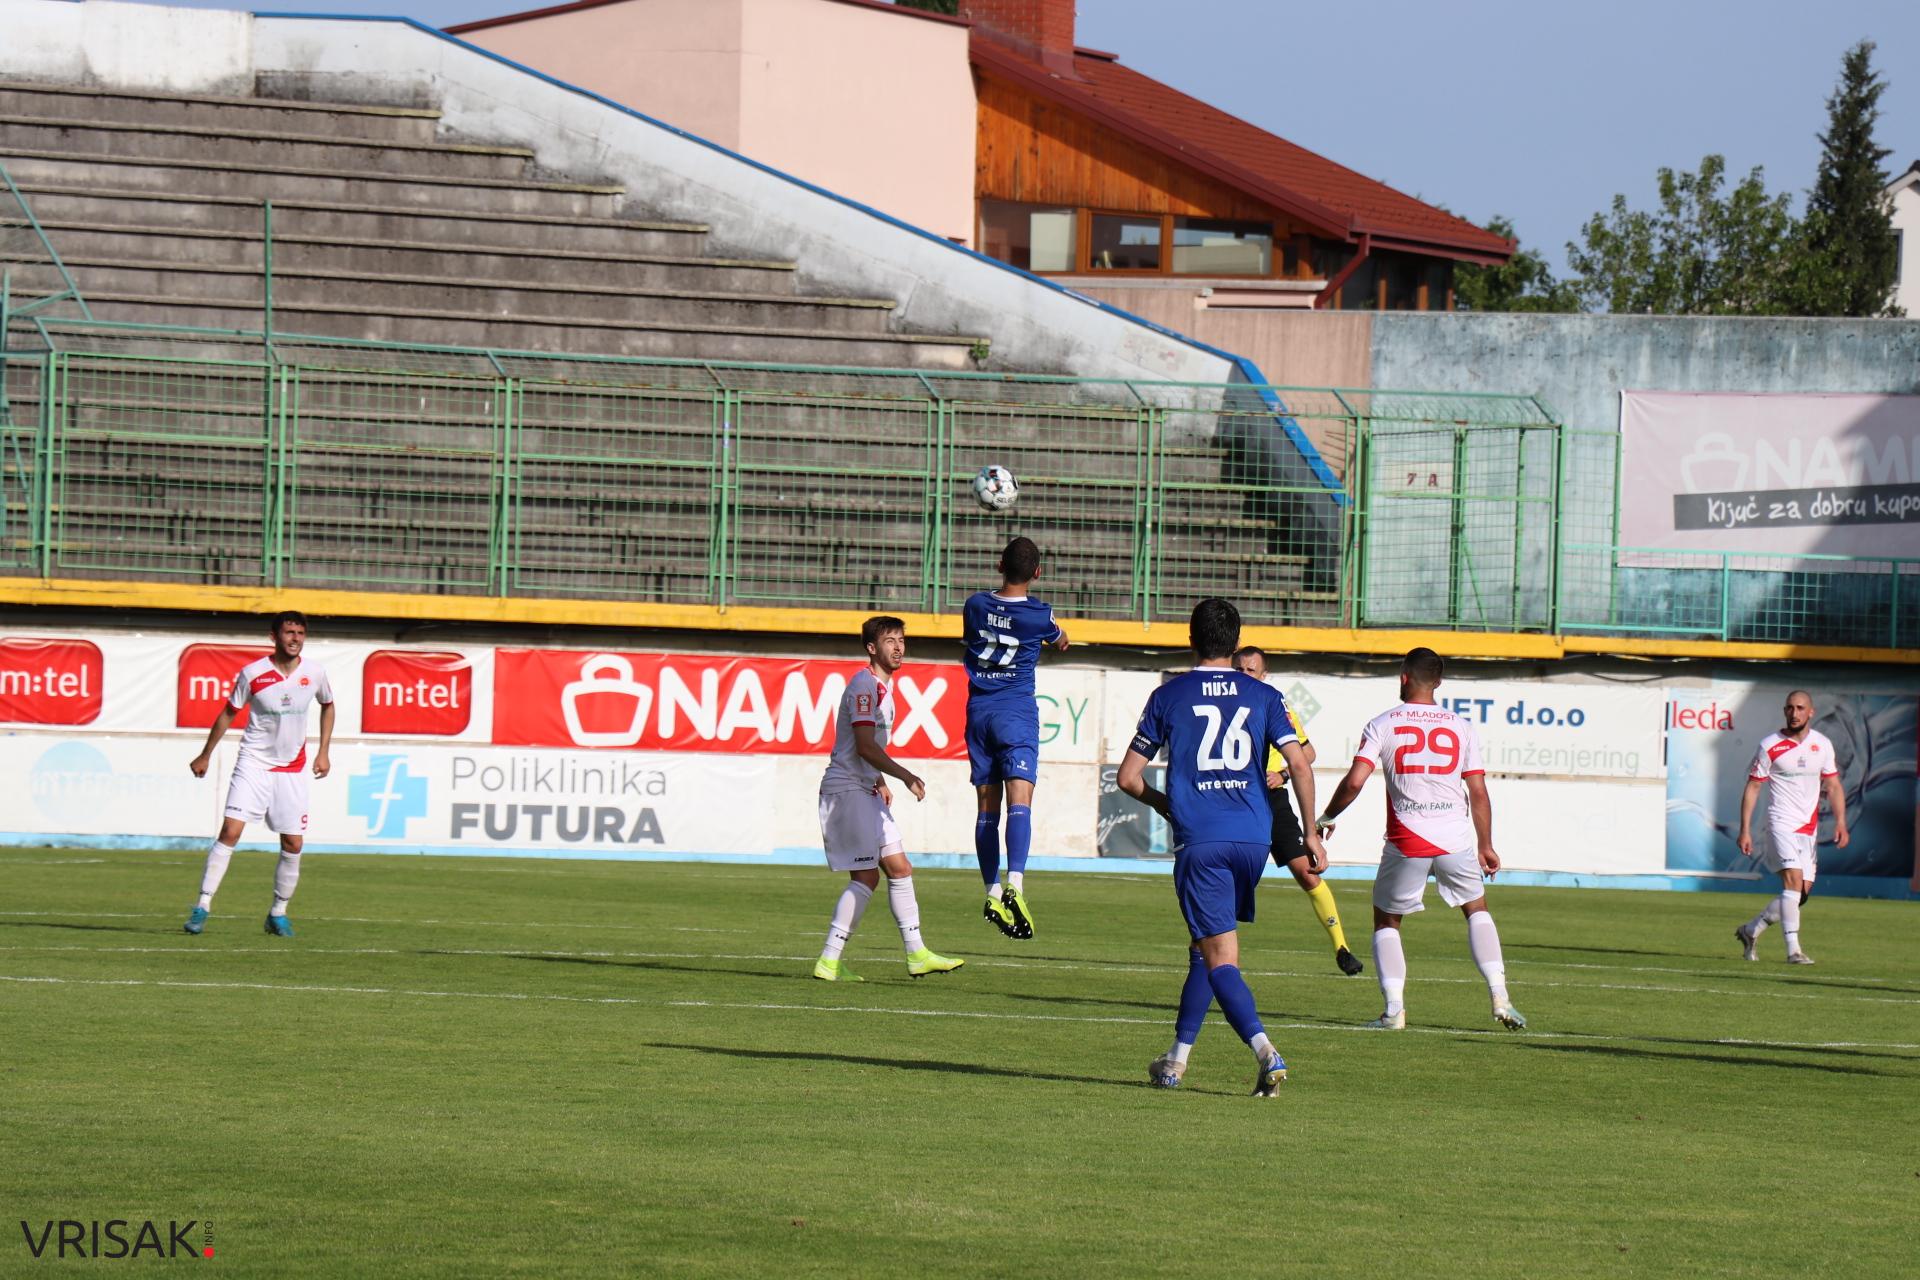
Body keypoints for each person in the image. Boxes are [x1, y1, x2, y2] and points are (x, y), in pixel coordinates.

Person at [1116, 598, 1324, 1096]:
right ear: (1235, 643)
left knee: (1221, 959)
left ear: (1190, 639)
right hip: (1253, 837)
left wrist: (1169, 805)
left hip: (1202, 838)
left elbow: (1128, 778)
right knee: (1205, 949)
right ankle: (1175, 1061)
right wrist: (1311, 832)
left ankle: (1267, 1052)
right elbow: (1299, 764)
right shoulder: (1265, 695)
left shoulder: (1169, 695)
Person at [1314, 647, 1525, 1031]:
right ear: (1439, 683)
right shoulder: (1461, 726)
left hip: (1407, 838)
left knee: (1387, 921)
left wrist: (1327, 816)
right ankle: (1501, 997)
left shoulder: (1383, 723)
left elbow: (1356, 781)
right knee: (1476, 909)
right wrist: (1486, 845)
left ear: (1404, 677)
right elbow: (1478, 792)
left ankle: (1394, 1011)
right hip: (1455, 838)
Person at [813, 616, 965, 982]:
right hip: (847, 790)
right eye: (889, 641)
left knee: (899, 868)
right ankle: (829, 960)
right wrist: (905, 775)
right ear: (871, 648)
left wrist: (879, 778)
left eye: (901, 640)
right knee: (866, 876)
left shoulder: (883, 688)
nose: (898, 647)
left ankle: (917, 955)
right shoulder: (865, 687)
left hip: (865, 788)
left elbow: (865, 747)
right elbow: (864, 745)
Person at [183, 611, 334, 937]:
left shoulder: (316, 673)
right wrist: (206, 754)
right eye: (289, 632)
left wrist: (323, 751)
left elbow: (328, 705)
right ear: (274, 636)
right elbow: (227, 714)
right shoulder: (253, 674)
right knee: (230, 832)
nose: (295, 638)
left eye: (300, 633)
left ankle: (278, 913)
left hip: (291, 769)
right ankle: (202, 905)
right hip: (253, 763)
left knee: (293, 843)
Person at [1230, 646, 1363, 977]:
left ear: (1264, 675)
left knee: (1307, 872)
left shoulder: (1274, 703)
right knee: (1230, 878)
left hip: (1272, 800)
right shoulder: (1223, 702)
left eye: (1251, 671)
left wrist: (1284, 774)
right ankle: (1211, 955)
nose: (1244, 675)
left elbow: (1308, 753)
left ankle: (1341, 947)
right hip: (1235, 800)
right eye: (1239, 669)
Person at [963, 536, 1069, 940]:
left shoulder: (974, 605)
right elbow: (1057, 636)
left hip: (978, 713)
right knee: (1020, 802)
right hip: (1016, 712)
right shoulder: (1039, 615)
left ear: (998, 564)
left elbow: (979, 630)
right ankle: (1015, 885)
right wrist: (1058, 639)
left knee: (986, 810)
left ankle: (991, 892)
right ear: (1038, 573)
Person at [1733, 690, 1848, 965]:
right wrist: (1745, 829)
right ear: (1784, 711)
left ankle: (1751, 930)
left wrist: (1841, 822)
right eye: (1789, 708)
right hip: (1780, 822)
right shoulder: (1770, 745)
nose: (1794, 713)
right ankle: (1793, 951)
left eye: (1800, 708)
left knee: (1800, 894)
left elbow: (1832, 785)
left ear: (1811, 712)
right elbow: (1754, 786)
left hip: (1808, 829)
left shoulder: (1822, 745)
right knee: (1793, 883)